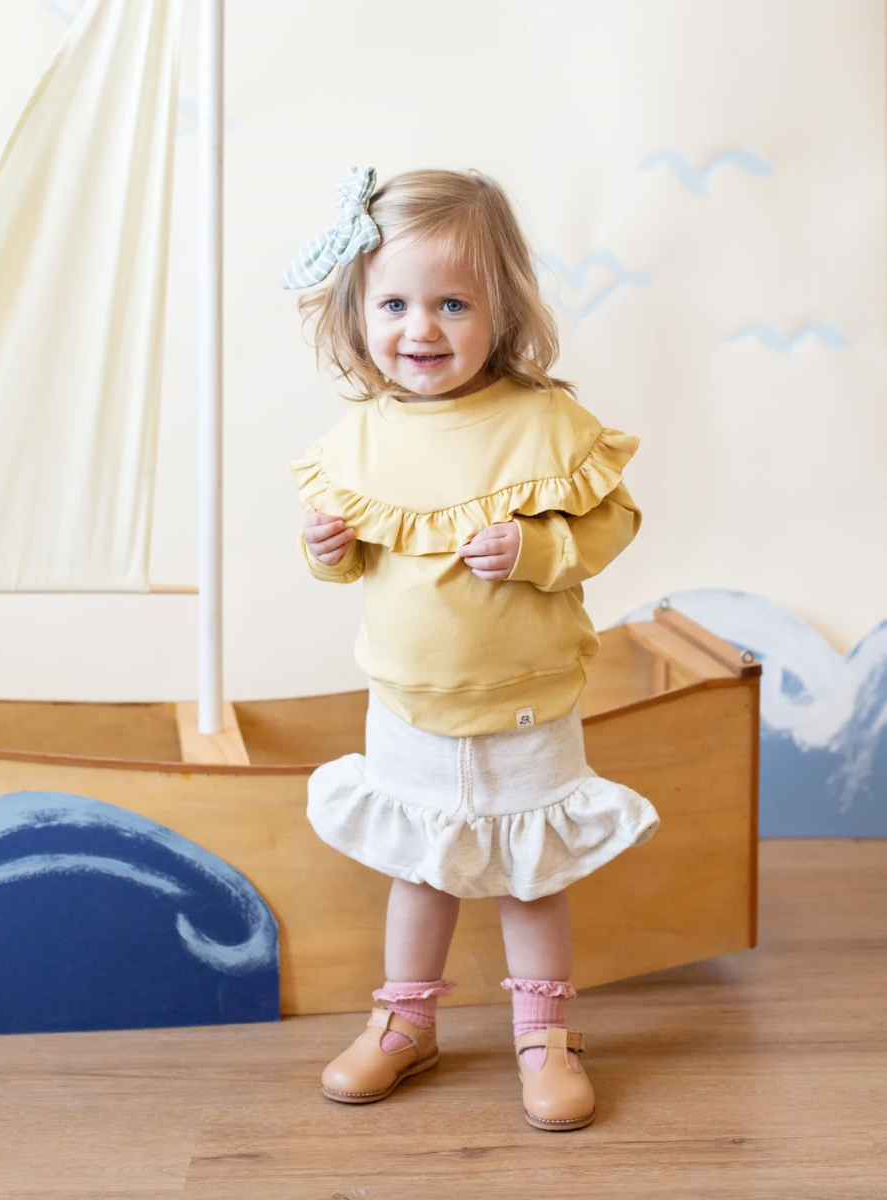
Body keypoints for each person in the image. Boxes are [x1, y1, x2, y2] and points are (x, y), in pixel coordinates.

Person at [283, 166, 660, 1132]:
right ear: (359, 312)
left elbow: (613, 524)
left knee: (532, 874)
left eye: (453, 303)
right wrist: (328, 548)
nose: (423, 328)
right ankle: (405, 1023)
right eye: (396, 304)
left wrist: (538, 550)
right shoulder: (359, 441)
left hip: (526, 703)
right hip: (409, 706)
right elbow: (354, 563)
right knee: (421, 869)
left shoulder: (543, 424)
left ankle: (545, 1034)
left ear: (503, 309)